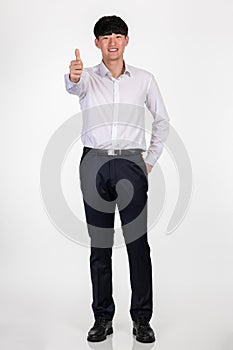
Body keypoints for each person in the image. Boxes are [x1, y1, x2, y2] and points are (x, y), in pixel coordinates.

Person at [64, 15, 170, 343]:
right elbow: (74, 84)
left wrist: (148, 162)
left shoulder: (144, 80)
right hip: (93, 164)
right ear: (97, 43)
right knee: (100, 246)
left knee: (138, 245)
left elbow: (162, 121)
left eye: (118, 35)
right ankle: (102, 318)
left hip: (130, 165)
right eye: (106, 36)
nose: (112, 41)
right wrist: (73, 75)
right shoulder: (88, 79)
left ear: (126, 41)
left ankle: (141, 319)